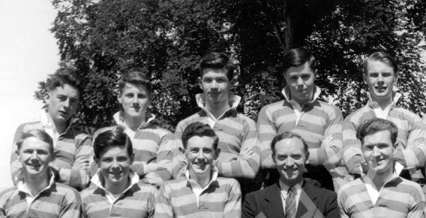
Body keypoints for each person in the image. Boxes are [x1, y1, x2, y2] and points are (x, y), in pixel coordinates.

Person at [257, 48, 345, 191]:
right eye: (293, 77)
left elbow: (334, 156)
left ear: (315, 75)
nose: (299, 83)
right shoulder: (268, 112)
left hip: (319, 188)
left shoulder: (331, 112)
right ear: (285, 76)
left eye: (305, 76)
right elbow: (266, 159)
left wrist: (282, 155)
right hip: (277, 188)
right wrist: (318, 154)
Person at [175, 52, 259, 194]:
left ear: (231, 83)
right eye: (208, 80)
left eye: (220, 80)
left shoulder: (247, 124)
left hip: (232, 205)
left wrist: (197, 164)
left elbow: (250, 169)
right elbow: (178, 171)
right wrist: (234, 162)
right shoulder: (184, 125)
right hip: (190, 206)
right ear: (200, 82)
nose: (214, 86)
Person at [342, 51, 426, 182]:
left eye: (386, 74)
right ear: (365, 78)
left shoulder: (412, 119)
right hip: (364, 192)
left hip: (402, 190)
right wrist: (398, 157)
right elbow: (352, 161)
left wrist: (372, 157)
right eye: (374, 75)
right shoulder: (352, 120)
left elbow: (419, 156)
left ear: (396, 77)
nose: (380, 80)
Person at [10, 68, 93, 191]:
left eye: (73, 101)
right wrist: (71, 172)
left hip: (66, 206)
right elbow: (18, 176)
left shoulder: (82, 139)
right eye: (61, 98)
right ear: (47, 97)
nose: (67, 105)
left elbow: (84, 179)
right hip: (32, 204)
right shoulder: (26, 130)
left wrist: (41, 169)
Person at [93, 70, 178, 187]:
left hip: (146, 201)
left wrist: (127, 185)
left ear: (149, 100)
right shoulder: (102, 134)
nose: (135, 101)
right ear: (119, 97)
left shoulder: (165, 136)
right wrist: (149, 168)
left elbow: (164, 174)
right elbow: (94, 171)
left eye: (141, 96)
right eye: (129, 95)